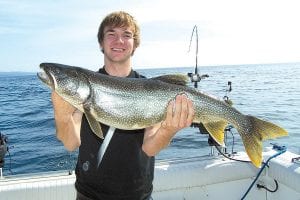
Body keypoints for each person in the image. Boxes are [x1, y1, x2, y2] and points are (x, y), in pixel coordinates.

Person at [51, 11, 195, 200]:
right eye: (111, 34)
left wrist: (169, 130)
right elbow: (71, 144)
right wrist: (61, 115)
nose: (119, 40)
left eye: (126, 35)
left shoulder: (151, 90)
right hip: (89, 194)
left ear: (135, 44)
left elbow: (150, 149)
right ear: (101, 43)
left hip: (138, 194)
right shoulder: (82, 87)